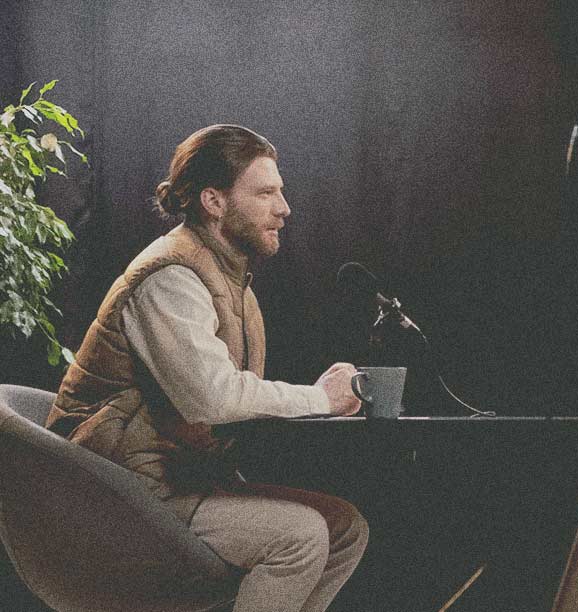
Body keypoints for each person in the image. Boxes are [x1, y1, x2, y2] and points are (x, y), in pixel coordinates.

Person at [48, 124, 369, 612]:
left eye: (280, 192)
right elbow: (212, 398)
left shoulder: (228, 277)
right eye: (265, 193)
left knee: (344, 528)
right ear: (213, 201)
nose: (284, 209)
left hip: (185, 478)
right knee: (299, 538)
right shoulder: (171, 278)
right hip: (123, 493)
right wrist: (322, 399)